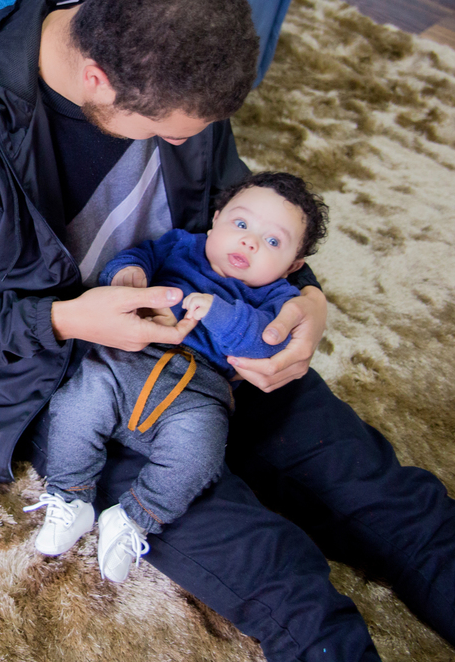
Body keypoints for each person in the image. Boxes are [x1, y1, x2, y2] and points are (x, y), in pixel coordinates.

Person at [0, 0, 455, 661]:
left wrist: (307, 296)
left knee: (403, 511)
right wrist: (69, 317)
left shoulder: (166, 50)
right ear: (96, 80)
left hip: (213, 329)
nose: (191, 143)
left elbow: (231, 202)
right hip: (77, 378)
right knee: (286, 585)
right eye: (172, 131)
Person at [26, 171, 329, 588]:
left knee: (200, 456)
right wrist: (126, 273)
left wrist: (219, 311)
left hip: (198, 392)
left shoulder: (277, 298)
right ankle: (70, 494)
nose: (250, 242)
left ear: (294, 266)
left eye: (273, 242)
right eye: (240, 225)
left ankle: (135, 516)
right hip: (126, 359)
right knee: (75, 405)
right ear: (216, 220)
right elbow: (141, 256)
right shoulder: (181, 246)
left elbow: (263, 344)